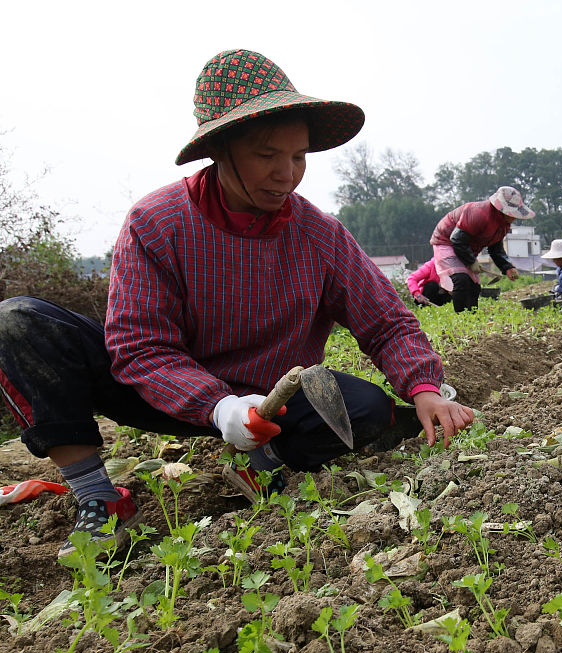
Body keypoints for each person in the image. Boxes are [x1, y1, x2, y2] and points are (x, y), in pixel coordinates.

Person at [0, 49, 475, 559]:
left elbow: (385, 321)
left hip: (270, 401)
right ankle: (98, 494)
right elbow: (139, 346)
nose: (286, 174)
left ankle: (263, 460)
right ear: (220, 151)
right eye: (266, 155)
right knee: (19, 324)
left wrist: (424, 388)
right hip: (159, 391)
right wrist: (218, 405)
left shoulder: (320, 235)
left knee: (369, 409)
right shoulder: (156, 223)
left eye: (298, 157)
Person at [430, 186, 534, 312]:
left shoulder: (503, 225)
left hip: (466, 247)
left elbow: (495, 248)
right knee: (461, 279)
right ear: (501, 210)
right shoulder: (479, 214)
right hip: (446, 242)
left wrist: (507, 267)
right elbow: (457, 239)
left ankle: (471, 316)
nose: (515, 217)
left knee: (474, 286)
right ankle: (461, 317)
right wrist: (471, 261)